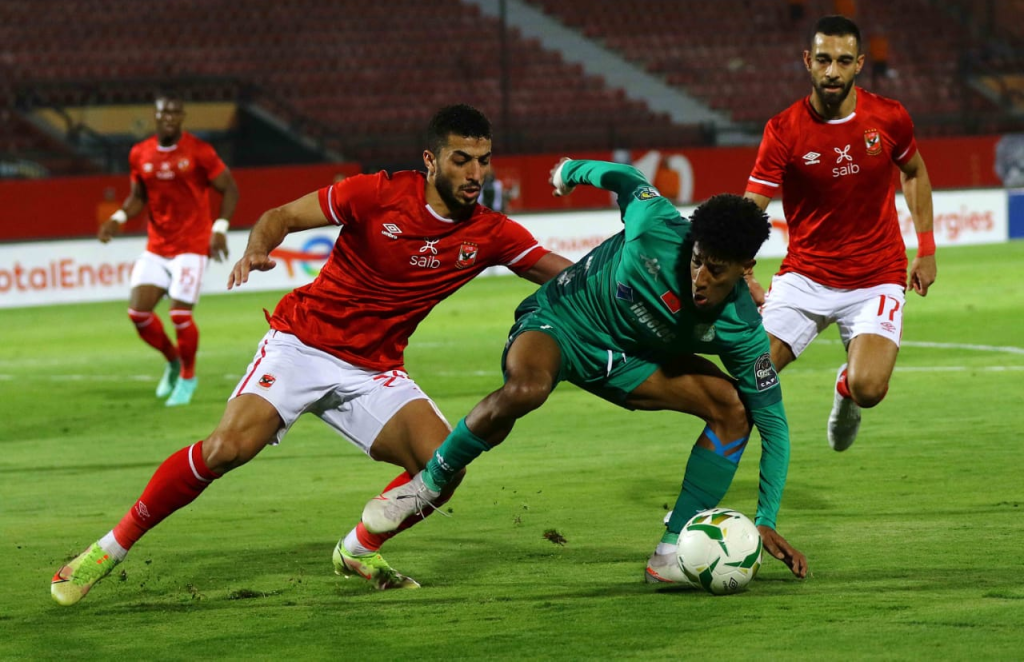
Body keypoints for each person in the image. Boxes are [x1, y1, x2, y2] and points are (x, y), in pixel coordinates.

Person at [51, 104, 572, 605]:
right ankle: (108, 549)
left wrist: (623, 278)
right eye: (462, 159)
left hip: (375, 371)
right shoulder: (377, 193)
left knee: (443, 466)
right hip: (303, 344)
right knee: (226, 448)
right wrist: (258, 247)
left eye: (483, 160)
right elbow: (281, 216)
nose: (475, 172)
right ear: (431, 160)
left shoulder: (490, 233)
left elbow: (566, 273)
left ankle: (359, 550)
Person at [362, 158, 809, 584]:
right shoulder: (654, 225)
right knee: (528, 387)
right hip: (562, 320)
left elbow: (776, 426)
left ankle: (670, 553)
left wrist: (766, 519)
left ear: (746, 268)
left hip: (628, 362)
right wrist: (569, 171)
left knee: (733, 409)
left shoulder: (741, 331)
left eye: (716, 270)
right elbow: (627, 177)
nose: (699, 278)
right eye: (696, 261)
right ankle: (427, 483)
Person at [742, 15, 936, 452]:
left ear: (859, 64)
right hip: (805, 277)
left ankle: (847, 391)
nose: (833, 71)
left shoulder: (889, 117)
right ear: (808, 61)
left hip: (877, 277)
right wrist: (742, 270)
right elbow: (752, 205)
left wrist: (926, 248)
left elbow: (914, 171)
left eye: (843, 61)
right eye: (824, 60)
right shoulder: (784, 130)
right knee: (749, 379)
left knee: (869, 387)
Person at [97, 91, 239, 406]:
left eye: (176, 113)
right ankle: (173, 360)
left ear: (182, 117)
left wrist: (219, 228)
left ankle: (188, 377)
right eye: (164, 113)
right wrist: (117, 218)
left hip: (191, 245)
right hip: (158, 246)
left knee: (179, 315)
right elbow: (138, 196)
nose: (170, 118)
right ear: (156, 116)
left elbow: (229, 188)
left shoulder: (199, 152)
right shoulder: (140, 154)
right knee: (138, 313)